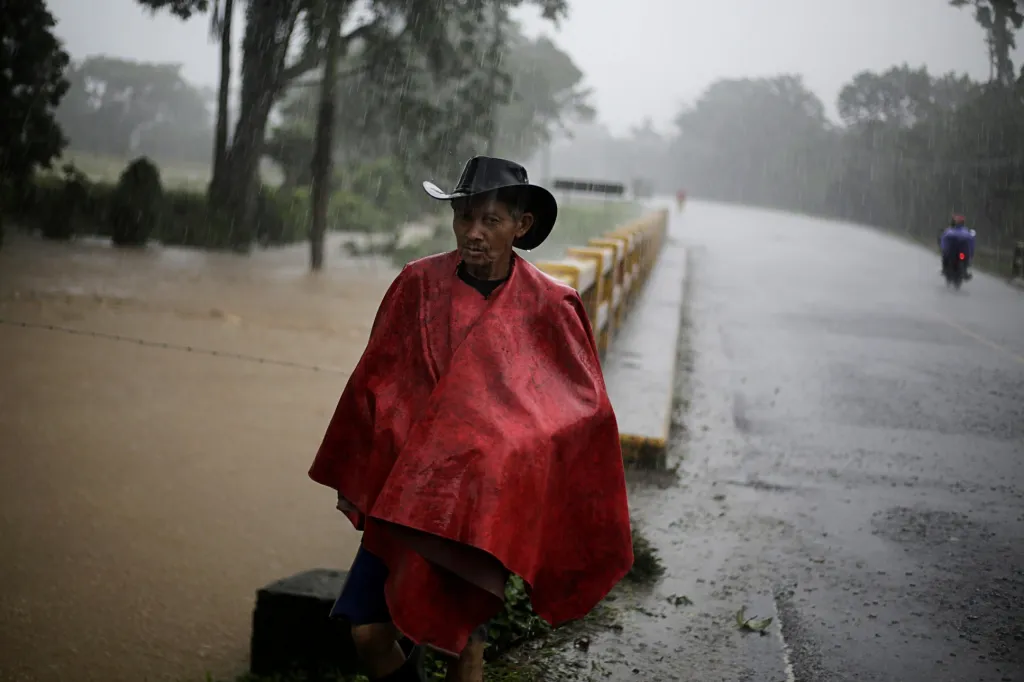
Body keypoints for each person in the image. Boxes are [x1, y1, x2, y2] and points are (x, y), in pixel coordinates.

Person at [308, 156, 634, 682]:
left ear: (521, 226)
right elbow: (375, 382)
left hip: (485, 504)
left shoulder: (551, 306)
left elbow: (580, 413)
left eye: (491, 221)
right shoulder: (417, 284)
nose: (474, 233)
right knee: (368, 633)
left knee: (467, 648)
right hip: (410, 494)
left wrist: (509, 449)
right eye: (464, 218)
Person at [940, 214, 976, 279]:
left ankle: (945, 270)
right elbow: (971, 243)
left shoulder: (950, 231)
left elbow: (944, 241)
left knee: (945, 257)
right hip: (959, 251)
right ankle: (964, 272)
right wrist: (971, 253)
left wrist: (944, 249)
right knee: (947, 257)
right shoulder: (965, 231)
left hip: (955, 251)